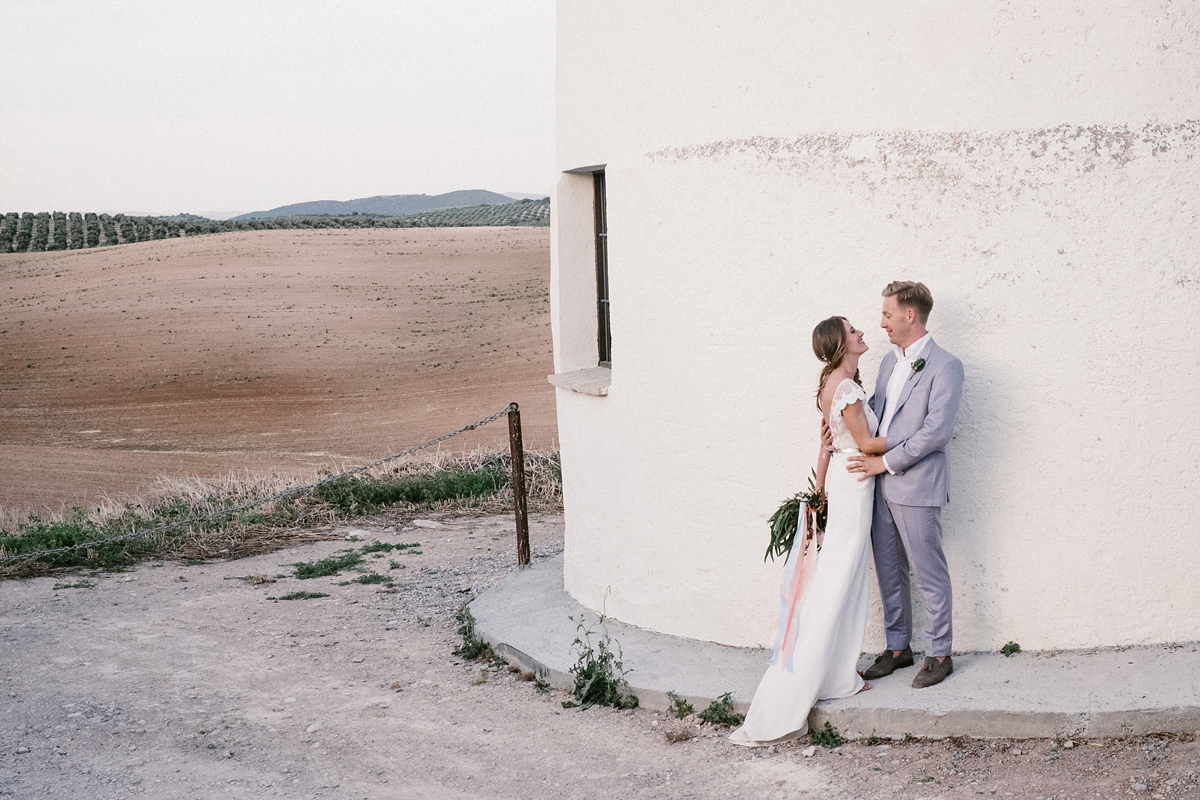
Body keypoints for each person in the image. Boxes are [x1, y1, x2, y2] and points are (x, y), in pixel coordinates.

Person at [730, 316, 885, 747]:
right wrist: (922, 436)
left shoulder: (831, 384)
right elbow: (869, 444)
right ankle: (795, 696)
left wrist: (819, 491)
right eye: (853, 330)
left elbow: (827, 443)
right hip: (855, 485)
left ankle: (837, 674)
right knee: (837, 583)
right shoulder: (847, 388)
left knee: (844, 580)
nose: (861, 333)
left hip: (842, 481)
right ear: (841, 344)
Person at [847, 281, 964, 689]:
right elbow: (878, 415)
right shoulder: (887, 363)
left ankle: (939, 653)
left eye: (886, 314)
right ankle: (898, 648)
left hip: (916, 486)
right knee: (889, 570)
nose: (881, 323)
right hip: (880, 488)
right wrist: (842, 434)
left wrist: (885, 463)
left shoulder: (946, 366)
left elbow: (936, 432)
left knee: (928, 569)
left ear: (909, 315)